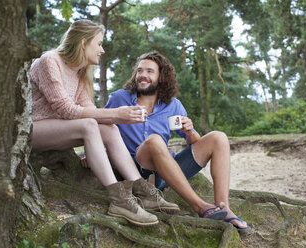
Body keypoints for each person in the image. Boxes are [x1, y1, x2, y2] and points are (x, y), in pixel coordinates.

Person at [30, 20, 179, 227]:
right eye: (98, 43)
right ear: (83, 43)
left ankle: (143, 191)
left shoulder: (80, 73)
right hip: (32, 129)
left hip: (55, 129)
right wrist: (117, 113)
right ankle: (120, 201)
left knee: (108, 127)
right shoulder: (50, 61)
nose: (102, 50)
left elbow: (89, 110)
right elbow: (65, 110)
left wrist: (119, 118)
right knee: (90, 125)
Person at [105, 51, 250, 230]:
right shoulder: (120, 98)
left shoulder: (173, 105)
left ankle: (224, 208)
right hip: (136, 171)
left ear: (162, 77)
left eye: (150, 71)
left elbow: (195, 142)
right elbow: (101, 125)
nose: (142, 75)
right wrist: (90, 153)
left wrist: (189, 131)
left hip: (166, 172)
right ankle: (200, 206)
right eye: (140, 71)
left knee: (218, 138)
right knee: (154, 140)